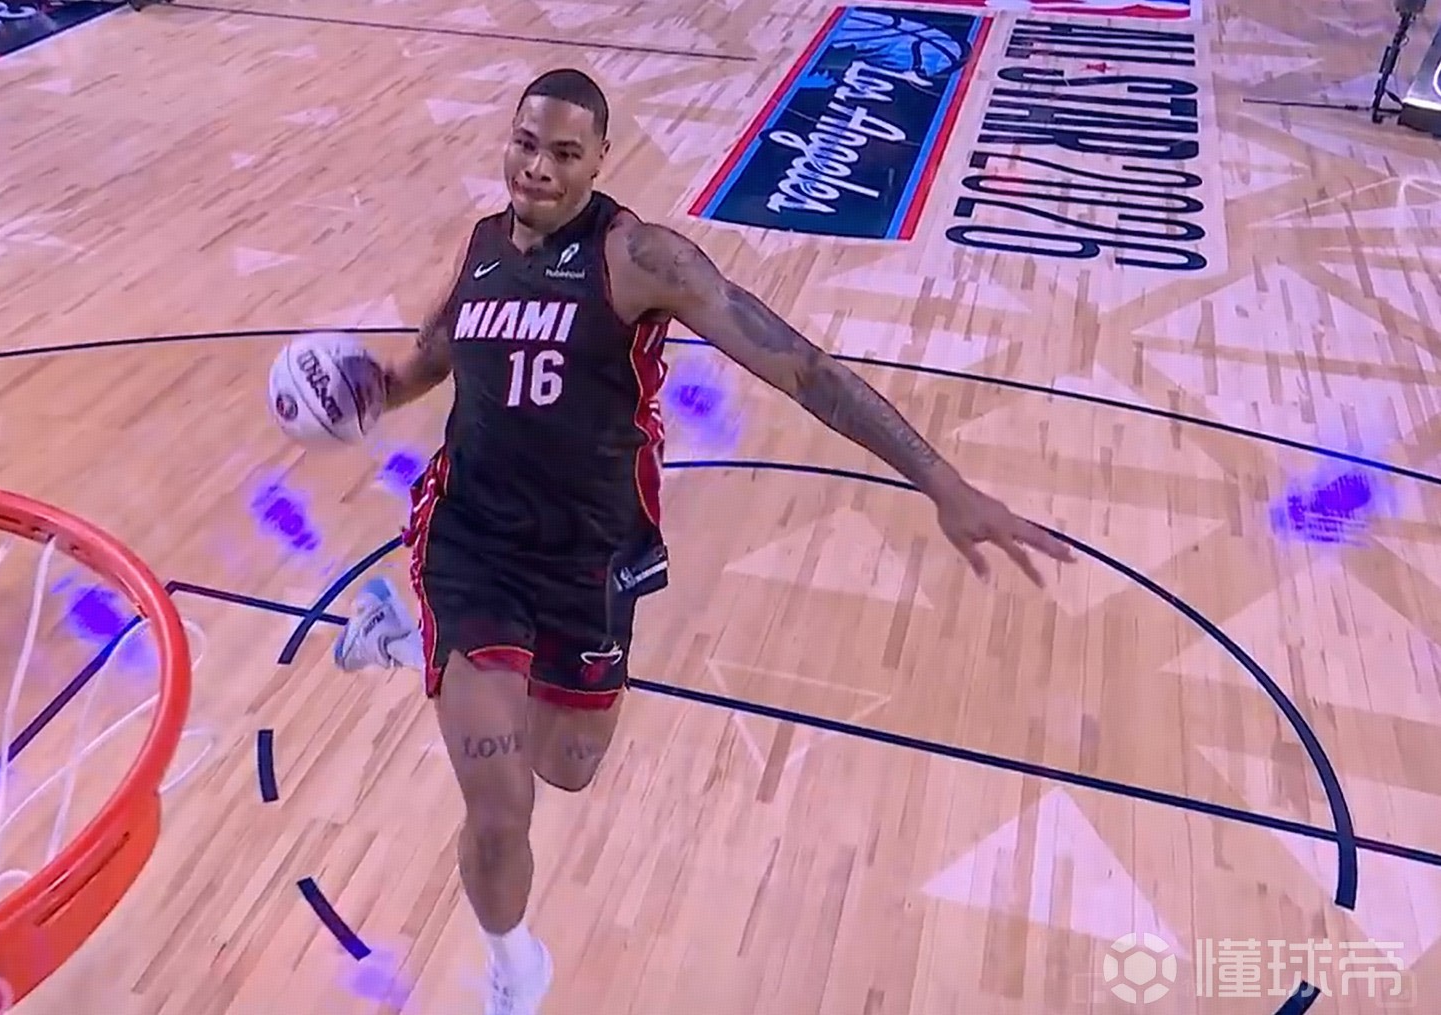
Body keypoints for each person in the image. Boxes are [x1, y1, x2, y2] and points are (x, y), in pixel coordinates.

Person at [327, 68, 1075, 1014]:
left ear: (601, 160)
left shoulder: (641, 258)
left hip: (591, 554)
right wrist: (364, 390)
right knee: (501, 802)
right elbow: (429, 361)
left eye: (565, 153)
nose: (538, 168)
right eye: (525, 144)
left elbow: (803, 368)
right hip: (470, 544)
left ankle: (402, 642)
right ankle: (512, 968)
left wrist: (941, 480)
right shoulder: (479, 247)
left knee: (567, 767)